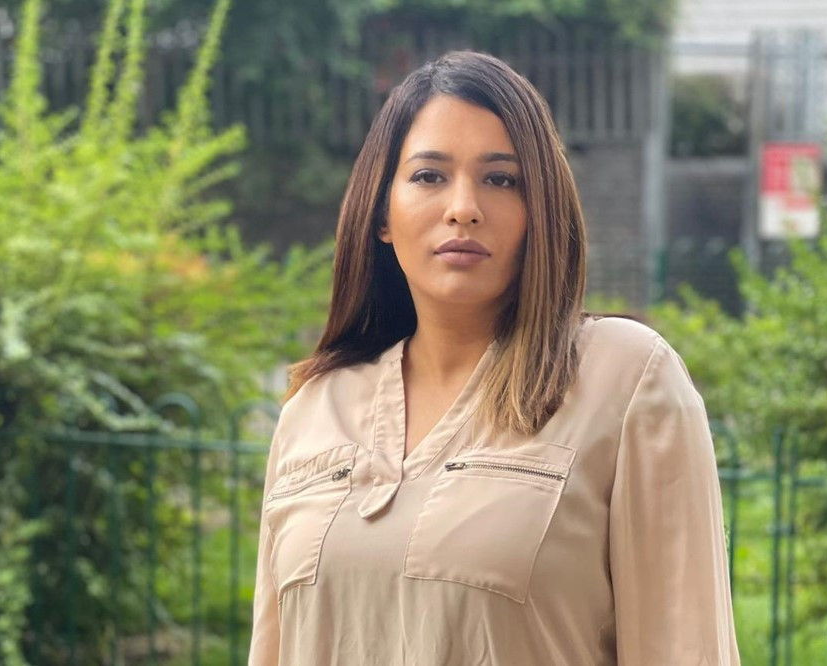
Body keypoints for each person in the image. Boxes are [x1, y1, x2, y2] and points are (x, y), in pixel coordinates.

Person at [249, 50, 740, 665]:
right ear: (381, 214)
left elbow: (686, 647)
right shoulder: (315, 409)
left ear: (541, 212)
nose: (464, 207)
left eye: (502, 180)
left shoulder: (625, 380)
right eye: (429, 176)